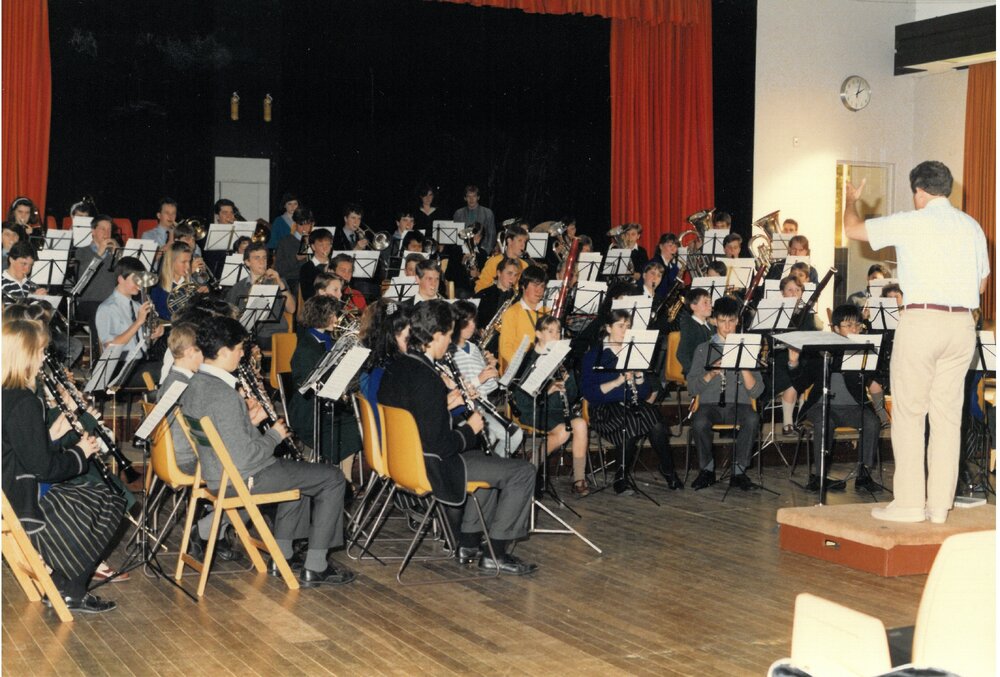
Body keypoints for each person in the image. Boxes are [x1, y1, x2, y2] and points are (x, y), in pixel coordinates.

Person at [844, 160, 989, 524]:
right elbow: (982, 284)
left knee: (910, 413)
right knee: (946, 417)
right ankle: (939, 506)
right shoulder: (972, 226)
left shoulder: (911, 220)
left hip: (922, 319)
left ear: (919, 192)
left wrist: (850, 200)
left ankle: (909, 503)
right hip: (961, 325)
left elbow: (852, 228)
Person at [179, 316, 355, 585]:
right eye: (239, 349)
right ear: (224, 352)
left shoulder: (195, 385)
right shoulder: (224, 393)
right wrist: (274, 435)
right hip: (243, 477)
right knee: (332, 479)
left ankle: (281, 556)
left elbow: (222, 434)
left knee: (301, 476)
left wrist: (248, 423)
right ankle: (316, 566)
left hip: (217, 474)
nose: (242, 354)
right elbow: (245, 457)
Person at [377, 300, 537, 575]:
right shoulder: (427, 377)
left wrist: (446, 406)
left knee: (488, 466)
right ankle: (496, 553)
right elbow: (441, 445)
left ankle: (469, 543)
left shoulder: (396, 367)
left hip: (403, 461)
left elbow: (416, 417)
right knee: (523, 472)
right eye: (449, 336)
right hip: (433, 465)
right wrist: (470, 429)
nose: (450, 343)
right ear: (436, 335)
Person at [2, 319, 125, 613]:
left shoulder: (8, 396)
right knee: (109, 499)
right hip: (21, 500)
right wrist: (80, 452)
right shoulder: (24, 402)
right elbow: (44, 468)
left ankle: (61, 579)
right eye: (42, 351)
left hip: (8, 488)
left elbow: (19, 449)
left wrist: (52, 435)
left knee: (86, 497)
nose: (45, 358)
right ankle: (70, 588)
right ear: (27, 355)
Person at [581, 309, 683, 493]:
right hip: (605, 408)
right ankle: (620, 476)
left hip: (631, 404)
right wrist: (618, 381)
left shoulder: (634, 352)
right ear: (608, 328)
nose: (625, 331)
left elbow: (644, 393)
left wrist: (639, 377)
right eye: (620, 326)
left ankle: (668, 470)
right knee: (630, 423)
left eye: (628, 327)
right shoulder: (594, 355)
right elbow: (590, 394)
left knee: (658, 425)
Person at [788, 304, 883, 493]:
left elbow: (872, 382)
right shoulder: (822, 352)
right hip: (821, 406)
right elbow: (800, 382)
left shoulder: (863, 351)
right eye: (848, 325)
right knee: (824, 423)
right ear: (836, 328)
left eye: (857, 325)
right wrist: (794, 362)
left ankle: (863, 475)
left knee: (871, 422)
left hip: (853, 408)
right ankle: (820, 476)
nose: (854, 329)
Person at [686, 297, 765, 491]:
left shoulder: (750, 348)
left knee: (753, 419)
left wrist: (744, 366)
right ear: (714, 321)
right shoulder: (703, 349)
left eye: (731, 321)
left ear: (738, 321)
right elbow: (692, 388)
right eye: (722, 321)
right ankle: (707, 470)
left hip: (740, 404)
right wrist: (711, 373)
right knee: (699, 422)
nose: (727, 327)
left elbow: (757, 391)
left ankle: (739, 472)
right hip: (709, 405)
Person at [510, 315, 590, 495]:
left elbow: (572, 395)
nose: (556, 336)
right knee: (563, 431)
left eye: (558, 332)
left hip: (557, 410)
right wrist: (547, 390)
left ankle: (579, 479)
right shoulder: (528, 359)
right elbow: (521, 399)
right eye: (550, 331)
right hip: (533, 409)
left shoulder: (561, 358)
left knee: (581, 424)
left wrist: (569, 383)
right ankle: (533, 462)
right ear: (538, 334)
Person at [288, 295, 362, 478]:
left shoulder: (328, 339)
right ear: (320, 317)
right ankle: (344, 478)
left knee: (359, 421)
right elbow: (305, 383)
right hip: (309, 411)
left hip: (327, 403)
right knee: (353, 427)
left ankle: (344, 477)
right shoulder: (306, 345)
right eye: (332, 315)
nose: (336, 320)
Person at [448, 301, 524, 459]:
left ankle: (497, 467)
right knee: (487, 438)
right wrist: (479, 378)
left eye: (473, 321)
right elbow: (454, 389)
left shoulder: (475, 348)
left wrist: (491, 371)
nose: (471, 326)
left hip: (482, 409)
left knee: (516, 434)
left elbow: (488, 388)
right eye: (466, 322)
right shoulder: (448, 351)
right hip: (462, 413)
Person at [95, 256, 165, 386]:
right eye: (135, 279)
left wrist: (155, 335)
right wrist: (138, 322)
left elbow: (144, 344)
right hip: (119, 367)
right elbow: (110, 346)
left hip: (140, 362)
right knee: (168, 369)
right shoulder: (107, 308)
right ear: (121, 279)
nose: (139, 284)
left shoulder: (137, 306)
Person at [225, 242, 296, 349]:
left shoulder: (278, 282)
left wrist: (280, 284)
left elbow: (292, 309)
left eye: (264, 258)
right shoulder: (238, 287)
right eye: (257, 258)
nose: (262, 262)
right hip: (249, 335)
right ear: (247, 262)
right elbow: (229, 317)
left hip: (275, 332)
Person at [498, 265, 547, 369]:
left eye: (542, 286)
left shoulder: (548, 312)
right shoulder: (512, 313)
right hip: (520, 369)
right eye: (535, 285)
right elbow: (505, 349)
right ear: (523, 286)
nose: (539, 291)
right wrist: (524, 367)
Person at [72, 215, 119, 323]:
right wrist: (99, 253)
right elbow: (82, 278)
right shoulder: (81, 252)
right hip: (90, 301)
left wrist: (118, 256)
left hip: (112, 301)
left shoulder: (115, 251)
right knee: (100, 313)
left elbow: (123, 277)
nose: (107, 233)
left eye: (109, 230)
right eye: (103, 229)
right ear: (93, 231)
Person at [474, 256, 521, 355]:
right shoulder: (483, 295)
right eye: (509, 273)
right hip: (487, 346)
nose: (513, 278)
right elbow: (473, 321)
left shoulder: (518, 299)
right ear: (499, 273)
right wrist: (478, 330)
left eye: (516, 275)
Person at [475, 229, 529, 294]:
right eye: (520, 241)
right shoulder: (494, 262)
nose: (523, 245)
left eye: (524, 242)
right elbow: (480, 287)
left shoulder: (525, 265)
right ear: (509, 241)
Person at [274, 207, 314, 295]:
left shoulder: (315, 240)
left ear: (311, 224)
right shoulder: (285, 242)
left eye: (307, 224)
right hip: (293, 279)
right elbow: (278, 268)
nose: (304, 228)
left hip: (313, 278)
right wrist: (296, 258)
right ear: (295, 224)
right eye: (301, 225)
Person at [676, 287, 714, 377]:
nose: (710, 306)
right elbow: (681, 354)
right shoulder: (689, 326)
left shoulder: (710, 327)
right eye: (705, 302)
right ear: (693, 306)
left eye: (710, 302)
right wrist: (694, 374)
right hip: (697, 373)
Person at [453, 185, 496, 256]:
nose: (471, 199)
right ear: (465, 198)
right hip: (463, 253)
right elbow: (456, 236)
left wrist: (485, 252)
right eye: (468, 196)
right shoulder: (458, 213)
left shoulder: (488, 213)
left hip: (482, 251)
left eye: (474, 196)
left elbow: (491, 235)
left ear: (478, 197)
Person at [299, 228, 333, 300]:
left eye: (328, 244)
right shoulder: (306, 268)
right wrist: (325, 277)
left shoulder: (335, 264)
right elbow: (307, 296)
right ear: (313, 247)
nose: (325, 248)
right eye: (321, 245)